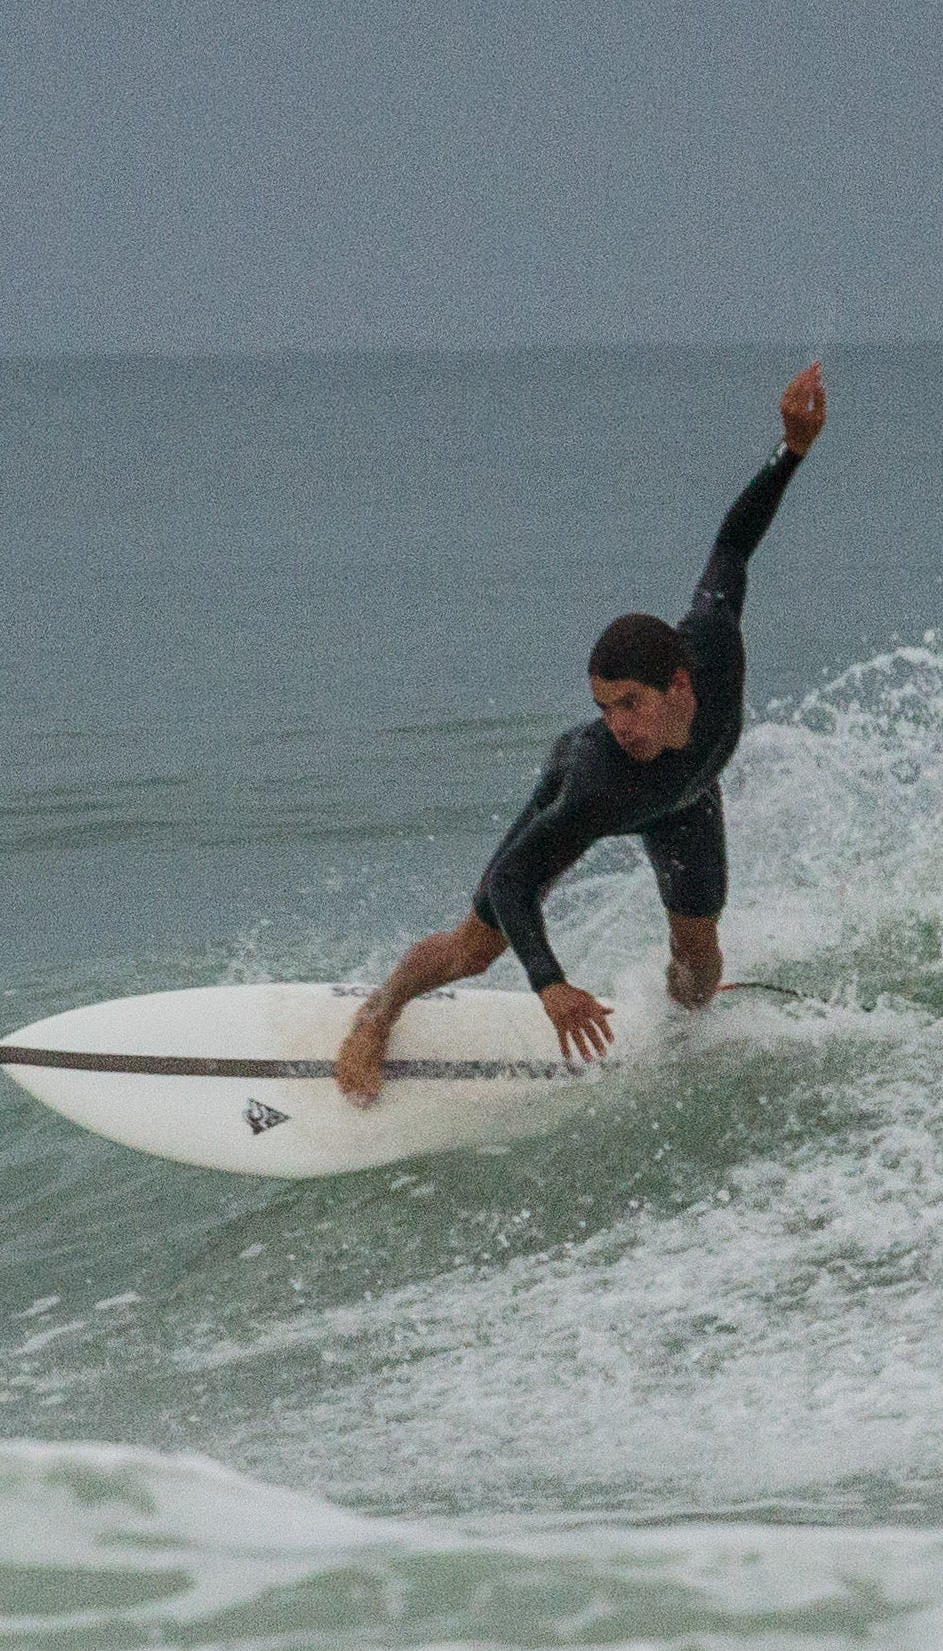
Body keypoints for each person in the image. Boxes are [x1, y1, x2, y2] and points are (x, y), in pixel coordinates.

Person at [334, 361, 827, 1105]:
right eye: (603, 707)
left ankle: (673, 1030)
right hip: (606, 798)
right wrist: (550, 983)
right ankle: (378, 1012)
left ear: (679, 686)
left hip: (687, 799)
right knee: (475, 947)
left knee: (697, 968)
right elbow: (512, 881)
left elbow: (732, 544)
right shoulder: (598, 774)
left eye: (630, 704)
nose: (617, 723)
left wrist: (789, 451)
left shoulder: (712, 644)